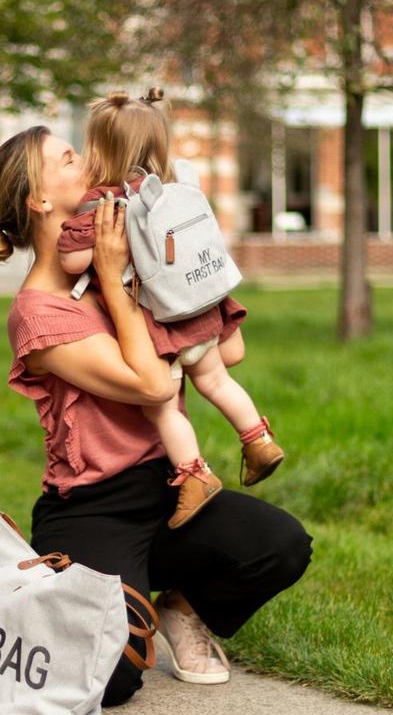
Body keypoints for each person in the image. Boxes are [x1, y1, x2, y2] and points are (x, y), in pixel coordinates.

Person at [0, 123, 312, 705]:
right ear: (40, 200)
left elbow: (230, 352)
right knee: (115, 678)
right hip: (93, 508)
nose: (87, 162)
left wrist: (186, 249)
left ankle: (175, 597)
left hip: (170, 489)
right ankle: (85, 587)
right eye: (69, 158)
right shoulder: (39, 313)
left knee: (281, 545)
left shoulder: (123, 268)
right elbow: (152, 386)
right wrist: (110, 275)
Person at [56, 87, 284, 529]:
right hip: (201, 309)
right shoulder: (177, 187)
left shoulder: (107, 204)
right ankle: (257, 438)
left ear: (99, 151)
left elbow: (73, 260)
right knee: (217, 380)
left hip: (165, 323)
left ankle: (195, 475)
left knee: (163, 408)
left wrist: (78, 238)